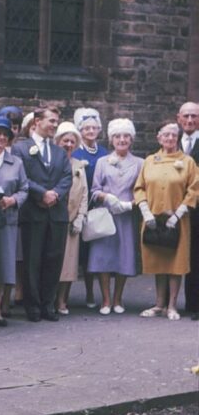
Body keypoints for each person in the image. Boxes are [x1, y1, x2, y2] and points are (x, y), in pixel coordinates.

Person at [12, 106, 72, 322]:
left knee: (54, 259)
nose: (55, 126)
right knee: (32, 260)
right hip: (33, 212)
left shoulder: (59, 151)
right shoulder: (20, 149)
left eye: (57, 122)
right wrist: (41, 193)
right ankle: (33, 306)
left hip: (56, 213)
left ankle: (49, 304)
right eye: (52, 121)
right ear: (37, 121)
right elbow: (21, 177)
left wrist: (55, 194)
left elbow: (67, 177)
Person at [134, 122, 199, 320]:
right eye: (166, 135)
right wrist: (145, 210)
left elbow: (194, 189)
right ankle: (159, 304)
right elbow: (139, 187)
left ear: (177, 138)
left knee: (175, 263)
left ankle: (172, 306)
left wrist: (178, 214)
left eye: (173, 135)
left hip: (177, 219)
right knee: (158, 261)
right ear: (159, 138)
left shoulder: (187, 162)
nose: (170, 138)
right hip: (153, 218)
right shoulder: (150, 160)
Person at [84, 118, 144, 315]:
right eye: (117, 136)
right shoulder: (102, 162)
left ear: (131, 139)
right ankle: (106, 300)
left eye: (126, 136)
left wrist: (129, 204)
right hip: (106, 215)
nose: (122, 140)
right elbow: (94, 190)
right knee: (103, 256)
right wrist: (107, 197)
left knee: (124, 256)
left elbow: (143, 191)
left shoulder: (140, 163)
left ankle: (118, 298)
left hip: (127, 216)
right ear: (111, 140)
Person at [0, 115, 28, 326]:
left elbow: (24, 189)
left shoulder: (16, 162)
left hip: (6, 219)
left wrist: (12, 200)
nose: (0, 137)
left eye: (5, 135)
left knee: (3, 264)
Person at [71, 107, 107, 309]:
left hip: (98, 206)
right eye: (87, 128)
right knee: (80, 252)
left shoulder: (104, 152)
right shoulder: (76, 152)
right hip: (79, 205)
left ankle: (91, 292)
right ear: (80, 131)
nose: (91, 131)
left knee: (95, 251)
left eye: (94, 128)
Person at [54, 122, 89, 315]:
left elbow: (84, 193)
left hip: (71, 221)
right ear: (58, 141)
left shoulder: (79, 165)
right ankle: (49, 298)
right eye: (65, 140)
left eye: (72, 141)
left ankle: (62, 301)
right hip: (53, 220)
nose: (68, 144)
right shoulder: (52, 162)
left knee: (69, 264)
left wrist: (80, 218)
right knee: (52, 262)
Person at [177, 102, 199, 319]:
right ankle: (170, 303)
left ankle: (195, 304)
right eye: (186, 116)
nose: (190, 120)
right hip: (174, 208)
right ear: (179, 118)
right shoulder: (171, 141)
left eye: (194, 116)